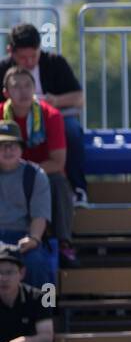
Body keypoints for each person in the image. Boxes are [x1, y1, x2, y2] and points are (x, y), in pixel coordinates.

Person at [0, 23, 87, 207]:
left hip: (52, 118)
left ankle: (77, 187)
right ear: (11, 52)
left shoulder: (55, 63)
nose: (30, 62)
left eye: (34, 56)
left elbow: (79, 98)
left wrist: (55, 101)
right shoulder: (3, 68)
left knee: (71, 130)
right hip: (12, 120)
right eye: (23, 58)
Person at [3, 67, 75, 267]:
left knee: (59, 182)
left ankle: (63, 242)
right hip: (4, 173)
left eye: (28, 86)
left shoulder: (51, 116)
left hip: (39, 175)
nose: (24, 91)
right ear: (6, 92)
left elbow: (58, 162)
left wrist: (26, 172)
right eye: (16, 87)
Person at [0, 243, 62, 342]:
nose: (3, 278)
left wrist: (24, 341)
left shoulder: (40, 297)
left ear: (22, 273)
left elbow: (47, 335)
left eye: (9, 272)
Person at [0, 121, 55, 289]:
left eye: (13, 145)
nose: (8, 150)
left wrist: (33, 239)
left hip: (24, 237)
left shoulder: (35, 175)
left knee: (39, 265)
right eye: (2, 145)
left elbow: (40, 215)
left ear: (21, 149)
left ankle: (46, 310)